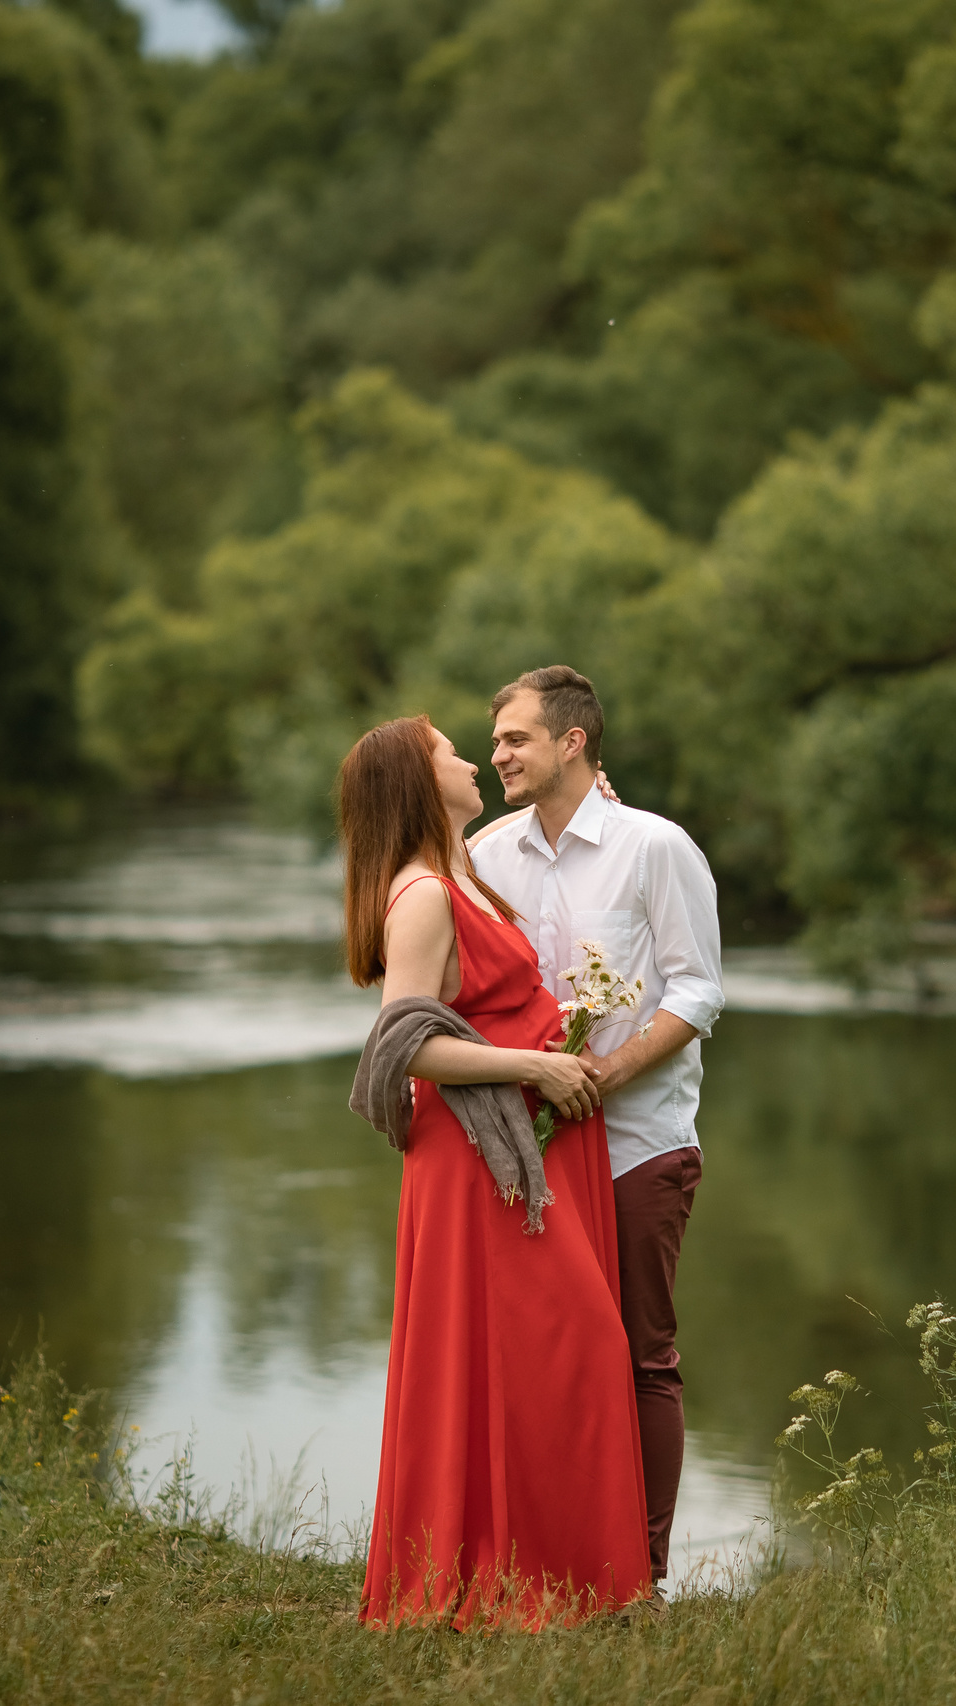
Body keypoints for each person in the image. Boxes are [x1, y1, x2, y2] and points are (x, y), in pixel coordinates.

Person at [339, 714, 652, 1629]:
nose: (471, 760)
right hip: (477, 1161)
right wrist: (536, 1066)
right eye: (450, 752)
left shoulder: (459, 870)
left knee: (534, 1361)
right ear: (418, 781)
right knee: (579, 1347)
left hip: (508, 1150)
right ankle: (524, 1581)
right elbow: (408, 1044)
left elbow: (531, 854)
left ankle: (561, 1579)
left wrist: (603, 815)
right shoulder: (424, 896)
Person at [469, 665, 724, 1594]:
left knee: (641, 1357)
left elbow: (699, 990)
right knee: (544, 1360)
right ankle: (553, 1560)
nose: (497, 754)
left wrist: (607, 1072)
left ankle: (639, 1578)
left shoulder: (655, 848)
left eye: (514, 740)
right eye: (494, 743)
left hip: (639, 1143)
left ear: (573, 742)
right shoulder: (491, 858)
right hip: (532, 1155)